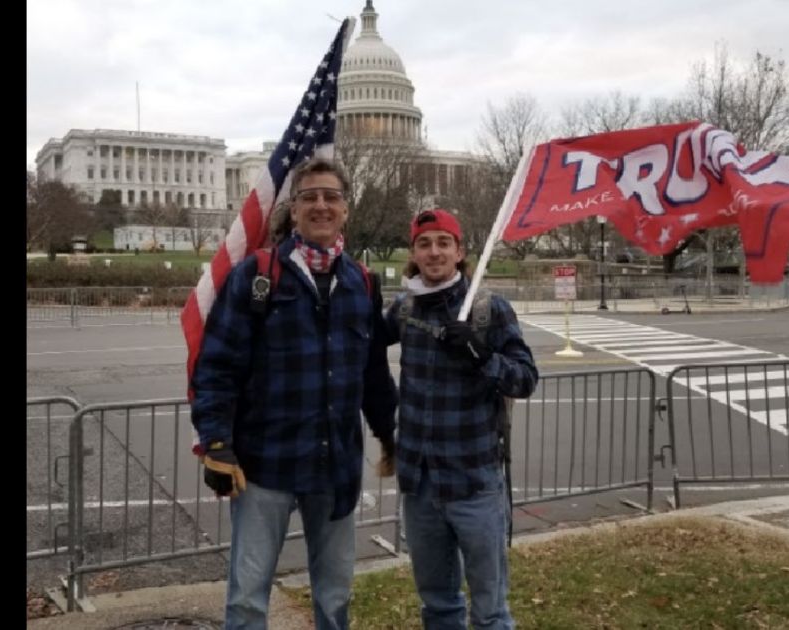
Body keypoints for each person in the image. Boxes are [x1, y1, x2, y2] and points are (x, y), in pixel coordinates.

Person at [190, 157, 398, 630]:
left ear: (346, 208)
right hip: (266, 463)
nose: (321, 205)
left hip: (336, 464)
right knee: (247, 599)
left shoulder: (362, 283)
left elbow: (372, 373)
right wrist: (216, 441)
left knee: (334, 596)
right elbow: (217, 366)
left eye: (331, 196)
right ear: (294, 208)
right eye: (310, 197)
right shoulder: (257, 276)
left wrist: (390, 434)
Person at [378, 209, 538, 630]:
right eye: (425, 244)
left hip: (474, 482)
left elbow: (525, 378)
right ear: (413, 253)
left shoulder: (488, 310)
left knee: (490, 609)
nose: (434, 253)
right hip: (421, 484)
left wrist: (482, 356)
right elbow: (362, 342)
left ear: (460, 250)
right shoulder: (405, 307)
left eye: (443, 243)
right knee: (438, 604)